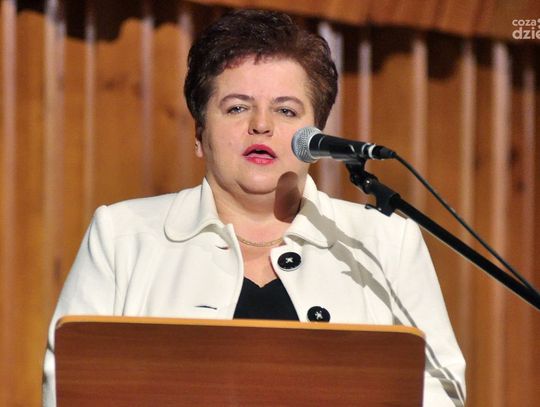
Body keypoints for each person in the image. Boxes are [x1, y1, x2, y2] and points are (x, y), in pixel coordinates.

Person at [43, 9, 466, 406]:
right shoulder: (120, 237)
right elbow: (68, 388)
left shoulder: (385, 243)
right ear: (199, 134)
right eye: (237, 107)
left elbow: (441, 392)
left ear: (316, 136)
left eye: (286, 110)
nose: (261, 125)